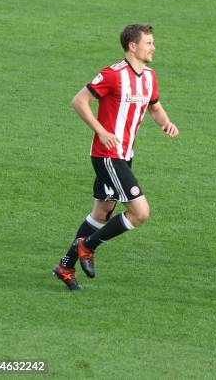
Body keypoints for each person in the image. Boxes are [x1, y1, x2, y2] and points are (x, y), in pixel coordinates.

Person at [53, 24, 179, 290]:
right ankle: (88, 246)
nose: (153, 47)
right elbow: (79, 100)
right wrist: (101, 131)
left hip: (124, 155)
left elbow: (154, 107)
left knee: (102, 212)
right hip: (107, 155)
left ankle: (65, 266)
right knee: (141, 212)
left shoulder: (150, 77)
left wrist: (166, 123)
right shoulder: (113, 74)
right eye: (148, 43)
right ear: (133, 46)